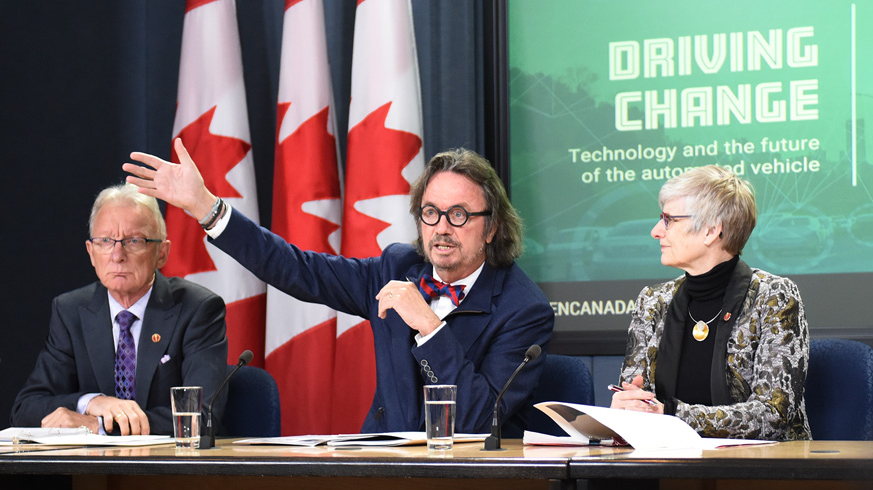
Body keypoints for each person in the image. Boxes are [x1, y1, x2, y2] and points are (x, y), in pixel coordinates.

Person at [124, 142, 553, 434]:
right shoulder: (398, 267)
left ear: (492, 227)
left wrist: (428, 324)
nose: (441, 228)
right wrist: (206, 208)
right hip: (383, 468)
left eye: (458, 215)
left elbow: (478, 421)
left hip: (471, 486)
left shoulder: (523, 309)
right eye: (430, 213)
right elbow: (296, 268)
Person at [11, 184, 230, 435]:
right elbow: (25, 409)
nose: (117, 254)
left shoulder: (198, 310)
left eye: (134, 241)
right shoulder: (71, 311)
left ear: (162, 253)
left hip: (171, 469)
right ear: (91, 253)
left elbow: (200, 418)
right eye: (105, 241)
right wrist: (91, 403)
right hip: (90, 473)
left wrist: (99, 426)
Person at [611, 165, 810, 440]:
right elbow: (635, 399)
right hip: (665, 464)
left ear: (710, 231)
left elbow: (772, 416)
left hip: (758, 471)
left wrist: (670, 414)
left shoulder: (774, 297)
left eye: (669, 220)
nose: (656, 231)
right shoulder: (652, 302)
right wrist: (626, 408)